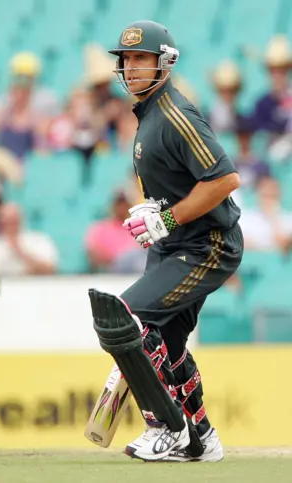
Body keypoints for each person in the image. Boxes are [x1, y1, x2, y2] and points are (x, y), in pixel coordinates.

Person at [90, 20, 242, 463]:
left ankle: (166, 427)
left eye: (142, 58)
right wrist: (159, 212)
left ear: (165, 64)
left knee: (128, 319)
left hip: (207, 244)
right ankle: (201, 438)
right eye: (128, 60)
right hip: (176, 244)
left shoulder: (176, 114)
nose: (133, 67)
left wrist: (169, 217)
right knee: (167, 343)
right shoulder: (149, 114)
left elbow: (225, 179)